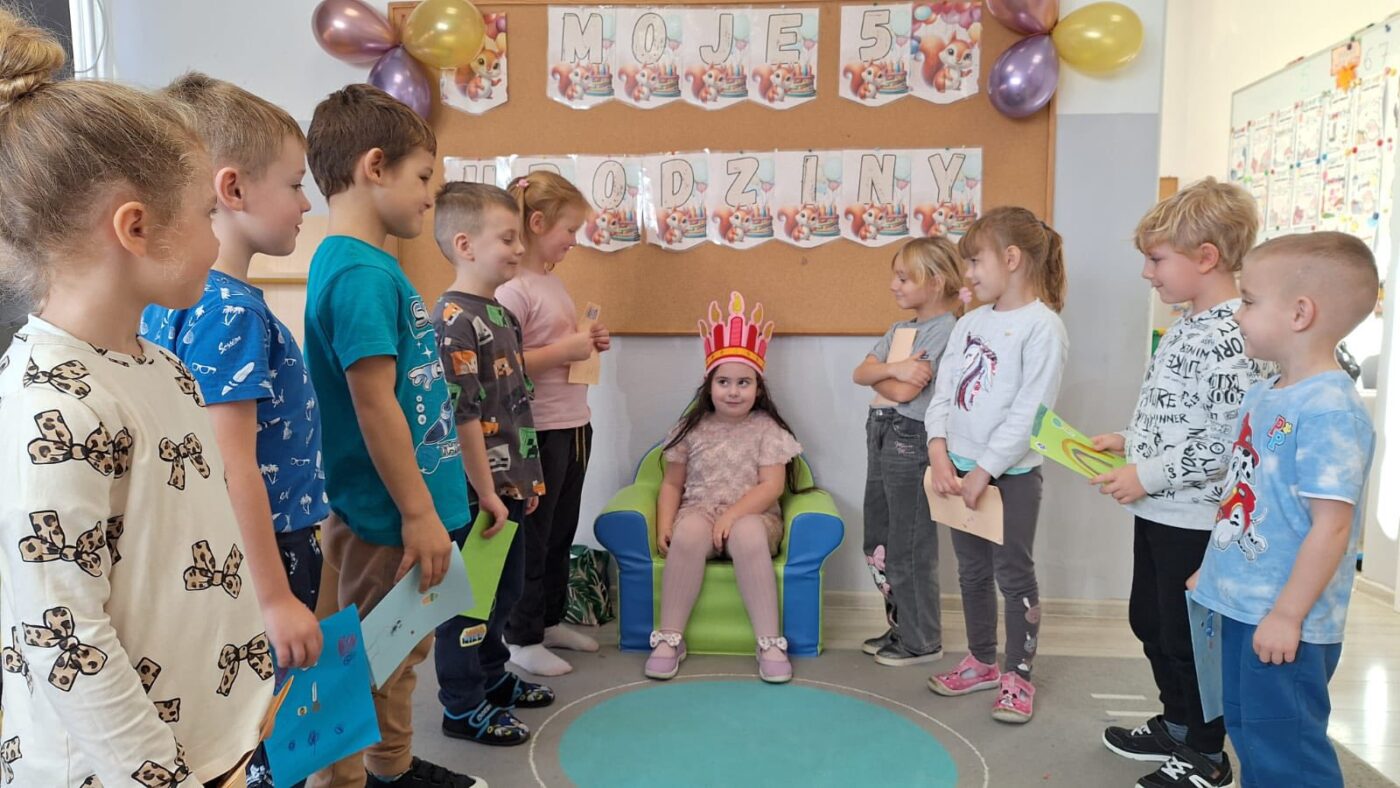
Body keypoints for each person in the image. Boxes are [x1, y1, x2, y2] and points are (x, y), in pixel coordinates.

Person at [0, 12, 270, 784]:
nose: (217, 239)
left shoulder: (165, 369)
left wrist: (244, 702)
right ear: (137, 227)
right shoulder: (53, 407)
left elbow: (187, 559)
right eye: (207, 214)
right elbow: (66, 638)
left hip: (206, 749)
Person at [302, 84, 475, 788]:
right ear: (375, 166)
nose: (431, 196)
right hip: (391, 520)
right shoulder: (361, 274)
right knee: (373, 665)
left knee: (389, 660)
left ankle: (389, 769)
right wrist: (419, 513)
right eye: (424, 177)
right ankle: (355, 778)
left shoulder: (358, 264)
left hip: (393, 512)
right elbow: (373, 404)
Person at [1092, 177, 1265, 788]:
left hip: (1195, 518)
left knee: (1190, 640)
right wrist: (1129, 441)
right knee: (1151, 622)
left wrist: (1146, 473)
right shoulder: (1189, 324)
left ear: (1206, 257)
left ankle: (1207, 754)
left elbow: (1224, 442)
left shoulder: (1233, 334)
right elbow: (1182, 416)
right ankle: (1178, 724)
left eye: (1157, 259)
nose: (1147, 273)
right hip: (1160, 510)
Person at [1190, 232, 1379, 788]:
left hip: (1284, 621)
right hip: (1242, 606)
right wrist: (1216, 572)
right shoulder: (1265, 392)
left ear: (1300, 313)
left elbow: (1332, 526)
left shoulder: (1330, 410)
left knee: (1287, 752)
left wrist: (1288, 615)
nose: (1237, 315)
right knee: (1250, 734)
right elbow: (1249, 495)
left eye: (1249, 301)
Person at [925, 207, 1068, 724]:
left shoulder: (1043, 328)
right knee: (970, 572)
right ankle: (982, 661)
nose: (967, 274)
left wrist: (985, 471)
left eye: (974, 261)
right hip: (957, 473)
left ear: (1011, 258)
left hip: (1009, 479)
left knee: (1013, 574)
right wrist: (938, 450)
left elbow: (1031, 413)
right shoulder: (970, 323)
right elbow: (944, 393)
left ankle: (1018, 675)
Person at [429, 182, 556, 749]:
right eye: (507, 239)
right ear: (465, 245)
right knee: (469, 605)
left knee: (504, 595)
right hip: (478, 495)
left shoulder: (501, 313)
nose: (519, 249)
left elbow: (514, 404)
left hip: (509, 487)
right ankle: (462, 705)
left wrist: (526, 479)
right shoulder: (452, 320)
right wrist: (486, 492)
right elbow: (464, 418)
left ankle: (492, 675)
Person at [645, 292, 807, 684]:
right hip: (700, 511)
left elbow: (772, 486)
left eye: (743, 383)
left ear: (758, 388)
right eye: (724, 382)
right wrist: (664, 524)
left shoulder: (767, 430)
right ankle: (669, 637)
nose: (733, 391)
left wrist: (733, 516)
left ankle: (769, 642)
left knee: (748, 532)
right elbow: (672, 483)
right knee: (688, 531)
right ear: (709, 386)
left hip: (754, 517)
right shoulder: (691, 429)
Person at [497, 171, 610, 677]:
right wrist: (566, 349)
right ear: (538, 222)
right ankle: (520, 637)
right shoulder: (512, 290)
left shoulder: (550, 281)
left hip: (572, 425)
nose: (573, 241)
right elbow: (505, 365)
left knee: (561, 531)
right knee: (534, 537)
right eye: (570, 230)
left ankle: (546, 621)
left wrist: (586, 341)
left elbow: (556, 347)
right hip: (537, 432)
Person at [852, 237, 963, 666]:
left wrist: (883, 376)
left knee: (908, 543)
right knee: (879, 540)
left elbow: (902, 392)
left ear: (934, 282)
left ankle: (921, 640)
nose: (893, 286)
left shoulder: (947, 331)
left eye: (903, 278)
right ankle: (901, 626)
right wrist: (894, 369)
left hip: (910, 437)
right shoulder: (901, 330)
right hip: (881, 431)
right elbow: (860, 372)